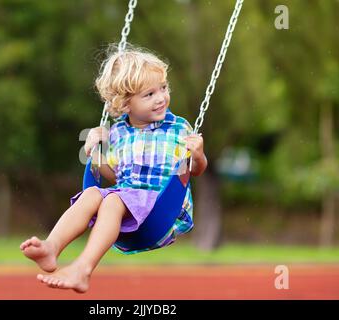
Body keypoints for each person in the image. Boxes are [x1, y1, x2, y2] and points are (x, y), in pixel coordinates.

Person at [20, 45, 208, 293]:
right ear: (125, 104)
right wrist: (95, 153)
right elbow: (113, 175)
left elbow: (193, 171)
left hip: (163, 211)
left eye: (163, 88)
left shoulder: (178, 128)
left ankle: (83, 269)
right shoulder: (118, 132)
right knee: (92, 194)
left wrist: (198, 154)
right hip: (128, 206)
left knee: (112, 201)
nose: (161, 97)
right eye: (149, 94)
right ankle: (52, 247)